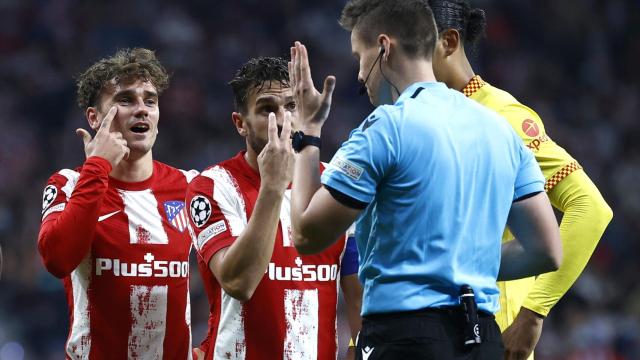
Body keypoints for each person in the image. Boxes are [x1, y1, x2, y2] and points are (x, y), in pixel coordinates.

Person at [288, 0, 563, 358]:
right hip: (483, 340)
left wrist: (308, 135)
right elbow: (546, 250)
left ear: (384, 48)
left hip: (405, 338)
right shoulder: (501, 131)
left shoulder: (385, 129)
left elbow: (308, 234)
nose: (358, 73)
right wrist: (463, 263)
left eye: (360, 55)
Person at [427, 1, 614, 358]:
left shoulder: (500, 115)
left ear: (447, 43)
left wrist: (534, 312)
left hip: (490, 336)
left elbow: (589, 207)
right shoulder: (420, 121)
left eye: (413, 47)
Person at [185, 57, 362, 360]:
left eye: (291, 106)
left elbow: (357, 292)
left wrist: (355, 351)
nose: (282, 119)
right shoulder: (212, 187)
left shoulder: (334, 185)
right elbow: (239, 283)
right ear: (240, 123)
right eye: (267, 108)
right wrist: (273, 186)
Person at [37, 48, 198, 359]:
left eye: (150, 100)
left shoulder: (190, 186)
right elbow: (56, 259)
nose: (142, 110)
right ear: (95, 118)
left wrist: (210, 344)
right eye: (125, 100)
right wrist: (97, 166)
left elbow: (232, 275)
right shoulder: (68, 184)